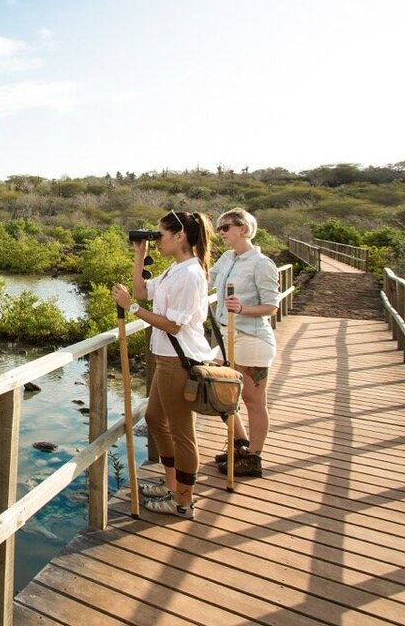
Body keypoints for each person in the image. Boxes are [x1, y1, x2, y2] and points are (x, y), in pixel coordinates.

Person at [111, 209, 217, 519]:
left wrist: (131, 308)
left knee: (183, 433)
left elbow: (173, 325)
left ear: (180, 236)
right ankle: (172, 484)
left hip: (179, 361)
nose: (157, 241)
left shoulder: (190, 274)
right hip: (165, 359)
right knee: (156, 419)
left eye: (161, 235)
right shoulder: (176, 270)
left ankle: (183, 501)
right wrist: (139, 257)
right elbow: (143, 290)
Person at [209, 207, 280, 477]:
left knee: (253, 400)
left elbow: (271, 306)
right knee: (219, 392)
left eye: (225, 228)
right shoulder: (227, 258)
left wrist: (242, 309)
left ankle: (253, 457)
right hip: (226, 337)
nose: (221, 233)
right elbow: (206, 282)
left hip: (252, 338)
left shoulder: (262, 263)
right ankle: (240, 442)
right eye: (219, 229)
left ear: (243, 228)